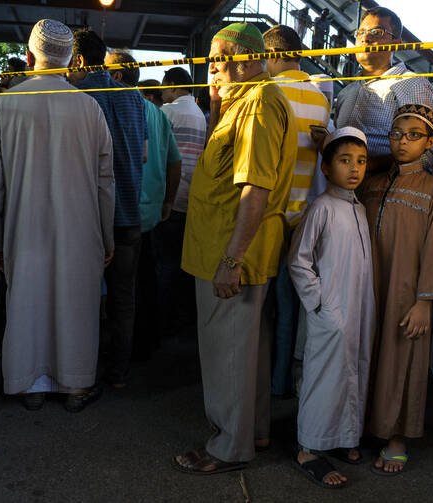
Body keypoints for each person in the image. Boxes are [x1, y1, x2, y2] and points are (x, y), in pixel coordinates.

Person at [174, 22, 298, 474]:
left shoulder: (261, 103)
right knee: (245, 351)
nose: (213, 68)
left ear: (246, 59)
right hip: (223, 248)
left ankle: (228, 447)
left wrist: (232, 259)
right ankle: (253, 431)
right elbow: (220, 164)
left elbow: (256, 188)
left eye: (218, 59)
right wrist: (213, 108)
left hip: (230, 254)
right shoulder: (238, 103)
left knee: (226, 351)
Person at [0, 19, 114, 412]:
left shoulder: (6, 103)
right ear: (71, 60)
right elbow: (106, 181)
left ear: (29, 56)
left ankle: (30, 386)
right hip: (82, 228)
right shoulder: (89, 108)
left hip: (23, 227)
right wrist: (107, 237)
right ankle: (75, 386)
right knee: (76, 304)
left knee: (28, 303)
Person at [361, 104, 433, 475]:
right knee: (367, 354)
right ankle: (364, 425)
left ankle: (397, 437)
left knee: (402, 361)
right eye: (397, 134)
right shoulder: (373, 182)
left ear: (430, 142)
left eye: (414, 135)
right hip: (368, 285)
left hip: (406, 292)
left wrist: (425, 302)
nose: (402, 142)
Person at [288, 127, 375, 488]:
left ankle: (342, 438)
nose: (354, 169)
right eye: (344, 161)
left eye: (360, 161)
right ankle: (309, 448)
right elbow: (298, 261)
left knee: (353, 373)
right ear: (326, 167)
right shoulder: (322, 208)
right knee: (324, 380)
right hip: (332, 313)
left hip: (358, 311)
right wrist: (321, 305)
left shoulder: (359, 208)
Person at [69, 27, 148, 388]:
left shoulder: (77, 95)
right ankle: (118, 373)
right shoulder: (136, 99)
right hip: (129, 212)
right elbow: (143, 155)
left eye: (69, 63)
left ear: (81, 60)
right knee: (123, 299)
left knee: (81, 297)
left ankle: (80, 369)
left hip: (88, 217)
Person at [262, 24, 331, 398]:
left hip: (268, 211)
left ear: (271, 55)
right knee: (289, 305)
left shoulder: (267, 92)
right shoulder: (320, 99)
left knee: (260, 304)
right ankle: (280, 381)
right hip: (303, 213)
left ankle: (260, 380)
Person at [105, 49, 181, 360]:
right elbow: (175, 163)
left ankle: (117, 352)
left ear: (116, 77)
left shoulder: (111, 107)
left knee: (119, 288)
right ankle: (146, 344)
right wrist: (167, 201)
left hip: (120, 214)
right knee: (146, 280)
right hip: (149, 214)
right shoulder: (155, 112)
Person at [333, 7, 433, 173]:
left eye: (377, 32)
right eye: (360, 32)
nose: (365, 38)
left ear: (396, 43)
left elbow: (426, 155)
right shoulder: (346, 92)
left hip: (387, 192)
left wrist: (370, 167)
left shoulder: (412, 84)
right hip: (340, 192)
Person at [159, 66, 207, 337]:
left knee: (166, 262)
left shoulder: (169, 112)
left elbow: (164, 157)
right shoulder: (199, 113)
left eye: (165, 87)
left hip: (172, 196)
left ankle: (165, 322)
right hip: (192, 197)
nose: (163, 93)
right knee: (182, 261)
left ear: (174, 86)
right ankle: (182, 319)